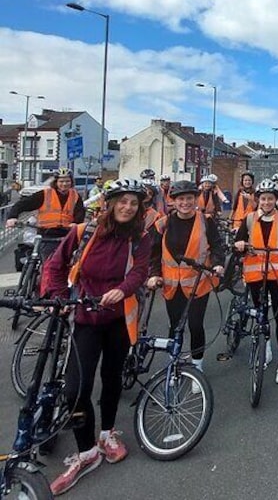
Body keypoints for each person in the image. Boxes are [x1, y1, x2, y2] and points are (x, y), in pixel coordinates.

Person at [42, 178, 152, 495]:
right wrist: (57, 297)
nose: (128, 207)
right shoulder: (84, 232)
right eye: (123, 201)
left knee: (112, 377)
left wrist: (122, 290)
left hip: (118, 320)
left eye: (134, 203)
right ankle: (87, 451)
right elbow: (55, 265)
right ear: (110, 203)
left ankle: (107, 432)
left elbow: (139, 272)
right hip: (86, 318)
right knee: (75, 389)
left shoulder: (139, 239)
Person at [146, 180, 225, 386]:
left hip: (198, 283)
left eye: (189, 198)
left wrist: (217, 264)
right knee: (175, 326)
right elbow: (153, 253)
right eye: (181, 199)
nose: (185, 203)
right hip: (172, 285)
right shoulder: (163, 223)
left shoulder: (206, 221)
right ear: (173, 201)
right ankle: (174, 365)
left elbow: (217, 246)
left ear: (195, 199)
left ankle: (197, 369)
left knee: (195, 324)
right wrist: (154, 274)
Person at [233, 179, 278, 383]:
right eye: (263, 198)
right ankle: (266, 349)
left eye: (271, 198)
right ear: (258, 200)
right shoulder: (250, 219)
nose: (267, 202)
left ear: (276, 199)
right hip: (255, 275)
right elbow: (240, 240)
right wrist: (239, 244)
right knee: (261, 314)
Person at [5, 167, 85, 261]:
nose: (64, 184)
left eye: (67, 181)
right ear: (56, 182)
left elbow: (80, 213)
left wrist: (76, 223)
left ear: (71, 182)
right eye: (61, 181)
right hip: (46, 233)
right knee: (46, 260)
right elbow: (22, 204)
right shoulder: (45, 194)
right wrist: (12, 217)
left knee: (69, 261)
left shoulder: (75, 196)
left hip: (66, 234)